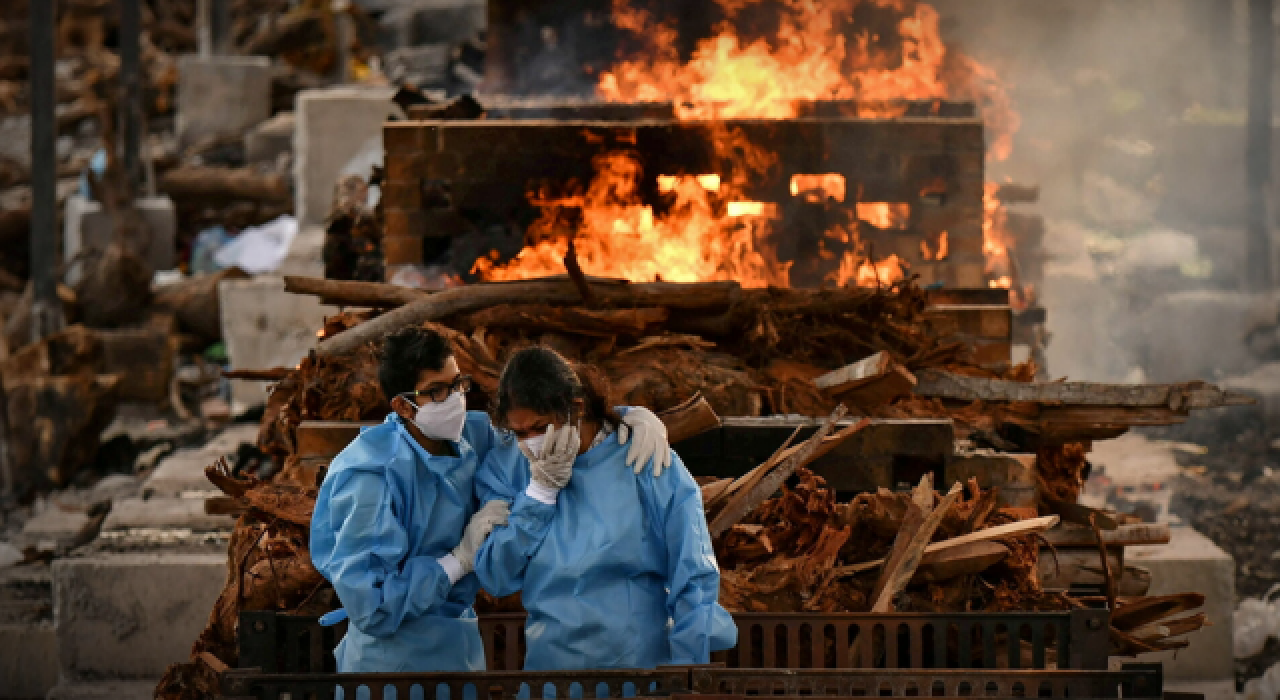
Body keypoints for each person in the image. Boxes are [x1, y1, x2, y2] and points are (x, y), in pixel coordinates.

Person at [310, 327, 672, 676]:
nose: (453, 400)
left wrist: (627, 417)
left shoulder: (472, 434)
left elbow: (542, 420)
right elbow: (371, 608)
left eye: (456, 384)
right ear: (403, 408)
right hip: (389, 668)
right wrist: (456, 562)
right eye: (436, 391)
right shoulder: (370, 476)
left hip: (460, 650)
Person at [473, 346, 737, 672]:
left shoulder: (642, 457)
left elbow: (693, 575)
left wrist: (686, 672)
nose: (530, 442)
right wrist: (538, 495)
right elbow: (497, 576)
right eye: (519, 432)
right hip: (551, 676)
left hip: (639, 672)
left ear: (576, 409)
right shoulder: (509, 467)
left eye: (540, 427)